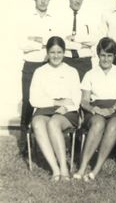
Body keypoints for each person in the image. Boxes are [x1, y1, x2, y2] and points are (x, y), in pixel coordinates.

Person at [72, 37, 116, 181]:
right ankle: (83, 167)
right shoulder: (90, 74)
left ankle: (95, 170)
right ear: (98, 54)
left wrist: (112, 110)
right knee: (98, 124)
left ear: (114, 56)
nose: (106, 59)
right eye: (103, 55)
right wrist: (93, 109)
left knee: (113, 126)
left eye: (110, 55)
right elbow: (84, 101)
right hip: (96, 109)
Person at [29, 36, 81, 181]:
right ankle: (55, 169)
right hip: (45, 108)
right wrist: (54, 102)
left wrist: (65, 106)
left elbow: (76, 97)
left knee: (54, 123)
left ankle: (64, 169)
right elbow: (34, 99)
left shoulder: (72, 71)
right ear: (47, 53)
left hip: (67, 110)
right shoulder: (40, 71)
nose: (56, 56)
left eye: (59, 52)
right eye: (52, 52)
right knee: (38, 124)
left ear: (64, 53)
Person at [20, 0, 56, 138]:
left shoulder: (54, 19)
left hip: (49, 65)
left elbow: (56, 41)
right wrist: (43, 43)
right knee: (28, 101)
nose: (43, 2)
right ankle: (24, 139)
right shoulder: (26, 18)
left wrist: (34, 39)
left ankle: (47, 138)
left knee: (49, 100)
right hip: (30, 65)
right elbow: (22, 44)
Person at [59, 0, 96, 80]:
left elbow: (93, 40)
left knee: (84, 92)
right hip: (66, 59)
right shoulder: (60, 16)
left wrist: (75, 38)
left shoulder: (90, 16)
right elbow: (60, 42)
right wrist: (81, 45)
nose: (78, 1)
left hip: (85, 60)